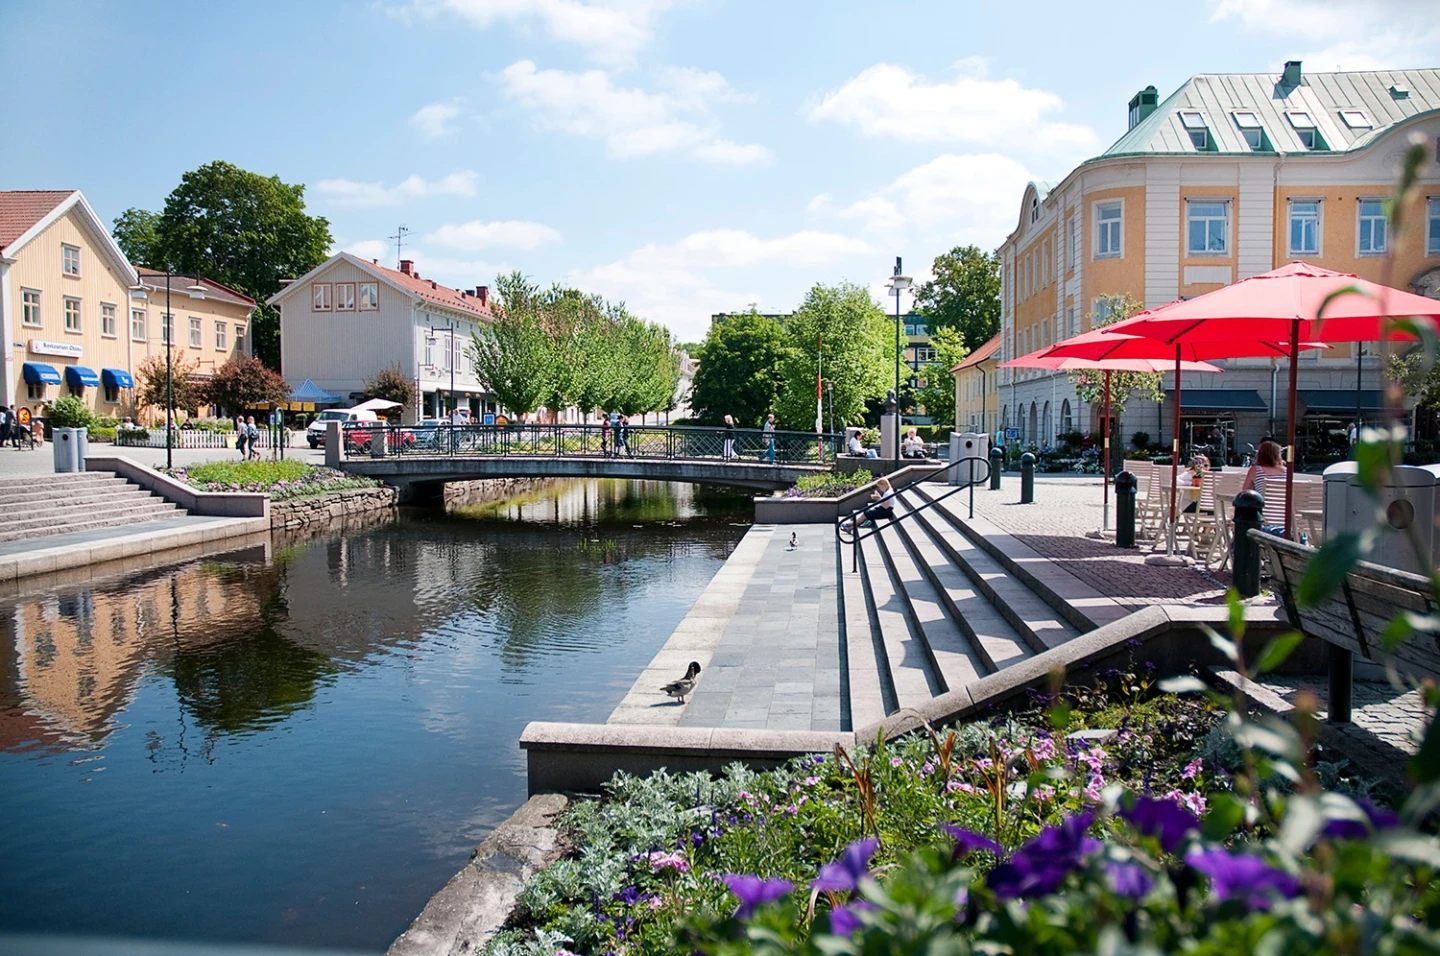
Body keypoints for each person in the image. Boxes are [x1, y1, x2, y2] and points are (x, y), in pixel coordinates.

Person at [1242, 440, 1287, 534]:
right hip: (1287, 520)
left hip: (1264, 520)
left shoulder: (1255, 471)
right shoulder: (1287, 472)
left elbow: (1244, 494)